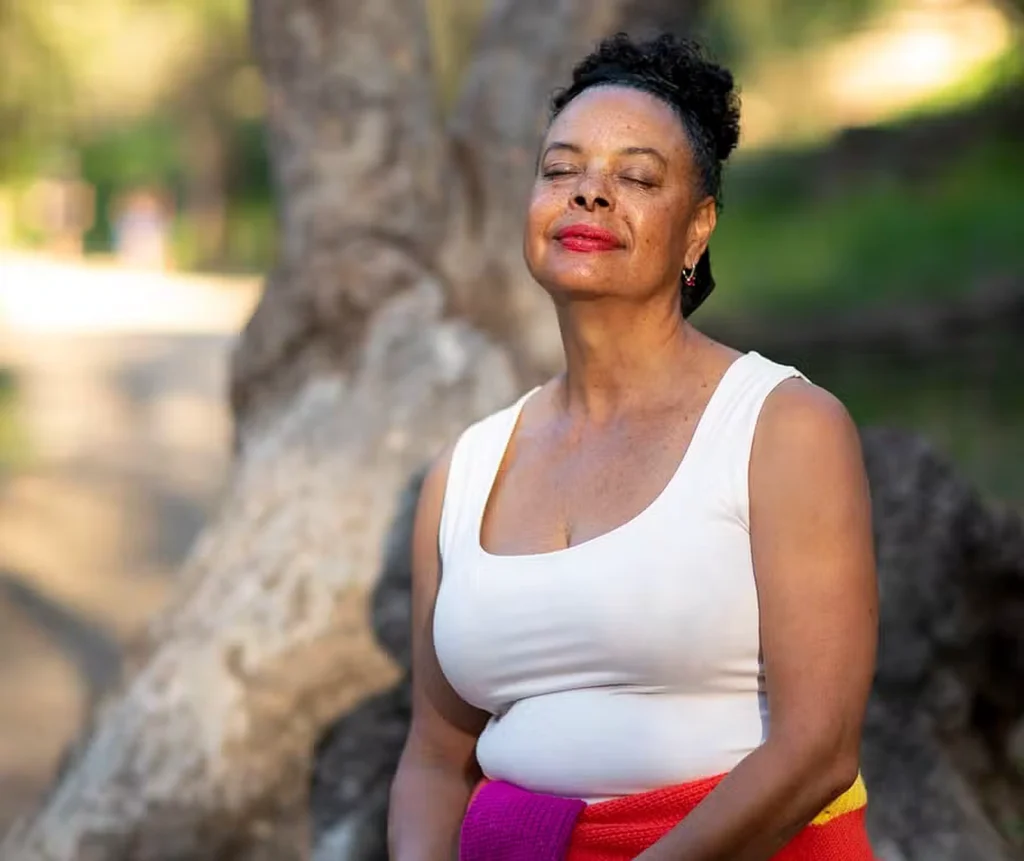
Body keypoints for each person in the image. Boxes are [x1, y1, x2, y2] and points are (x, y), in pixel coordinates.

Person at [388, 32, 878, 861]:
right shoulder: (463, 470)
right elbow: (435, 760)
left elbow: (818, 747)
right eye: (561, 170)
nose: (589, 192)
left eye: (638, 177)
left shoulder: (782, 427)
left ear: (697, 230)